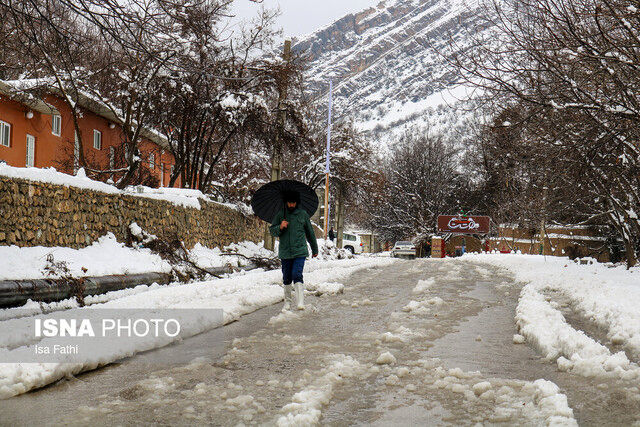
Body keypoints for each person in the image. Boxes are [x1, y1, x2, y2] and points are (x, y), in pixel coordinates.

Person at [270, 191, 318, 310]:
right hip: (285, 251)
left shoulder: (303, 214)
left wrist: (314, 248)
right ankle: (287, 302)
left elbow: (310, 232)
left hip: (299, 251)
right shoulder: (281, 214)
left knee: (296, 274)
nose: (291, 205)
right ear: (286, 202)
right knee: (286, 277)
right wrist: (280, 227)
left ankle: (300, 302)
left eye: (294, 203)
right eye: (290, 203)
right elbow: (272, 230)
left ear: (297, 202)